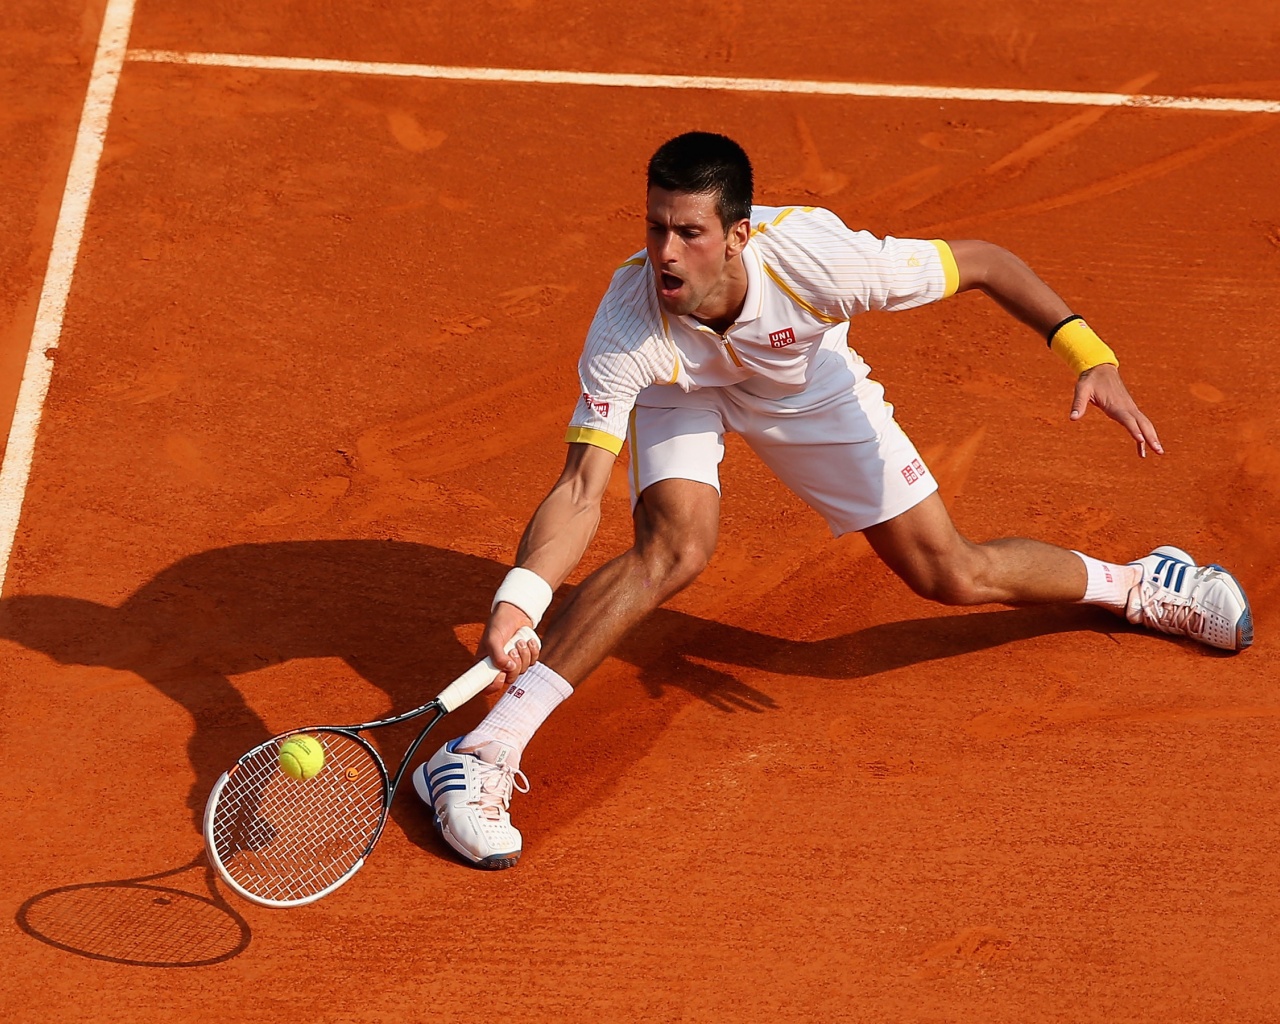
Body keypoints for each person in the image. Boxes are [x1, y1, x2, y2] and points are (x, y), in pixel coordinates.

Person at [412, 131, 1253, 870]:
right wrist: (518, 599)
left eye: (690, 233)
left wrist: (1087, 351)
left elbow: (988, 264)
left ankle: (1139, 583)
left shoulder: (821, 258)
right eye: (655, 227)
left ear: (738, 236)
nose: (666, 253)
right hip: (685, 386)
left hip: (805, 390)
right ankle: (483, 749)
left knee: (950, 572)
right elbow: (579, 487)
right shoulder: (630, 324)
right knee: (676, 548)